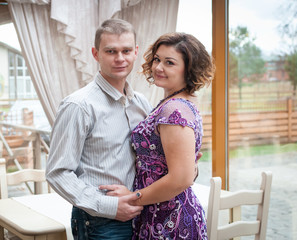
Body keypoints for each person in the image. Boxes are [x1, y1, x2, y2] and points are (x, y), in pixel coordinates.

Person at [99, 32, 215, 239]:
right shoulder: (177, 102)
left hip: (170, 218)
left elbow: (181, 178)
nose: (159, 67)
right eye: (157, 59)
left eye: (169, 62)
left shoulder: (175, 109)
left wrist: (133, 198)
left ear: (189, 69)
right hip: (159, 211)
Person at [45, 18, 153, 239]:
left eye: (126, 50)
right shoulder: (78, 106)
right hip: (100, 222)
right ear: (96, 54)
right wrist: (107, 206)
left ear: (136, 52)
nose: (120, 58)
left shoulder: (141, 103)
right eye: (111, 51)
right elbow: (57, 172)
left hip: (143, 213)